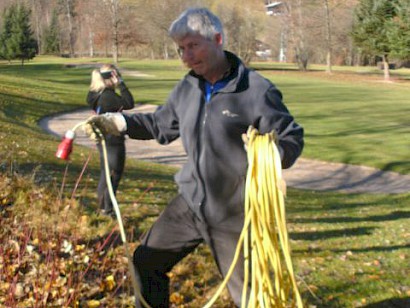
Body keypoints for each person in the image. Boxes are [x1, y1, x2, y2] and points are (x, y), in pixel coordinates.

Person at [86, 7, 304, 307]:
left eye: (192, 46)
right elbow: (161, 125)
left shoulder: (255, 90)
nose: (186, 56)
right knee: (145, 262)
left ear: (217, 39)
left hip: (234, 214)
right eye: (181, 49)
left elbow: (291, 137)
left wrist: (269, 155)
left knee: (251, 298)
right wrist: (121, 124)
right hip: (190, 203)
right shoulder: (188, 87)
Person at [86, 64, 135, 216]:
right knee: (114, 173)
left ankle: (103, 207)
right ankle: (107, 209)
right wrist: (121, 84)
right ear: (112, 77)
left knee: (105, 172)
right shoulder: (108, 96)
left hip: (103, 138)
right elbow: (129, 102)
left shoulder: (95, 93)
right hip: (113, 139)